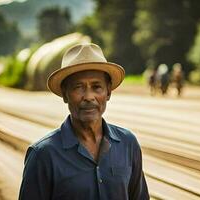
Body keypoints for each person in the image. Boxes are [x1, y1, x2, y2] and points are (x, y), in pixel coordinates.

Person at [19, 43, 149, 200]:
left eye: (97, 87)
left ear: (108, 92)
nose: (88, 96)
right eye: (78, 87)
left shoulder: (128, 143)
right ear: (65, 95)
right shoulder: (43, 155)